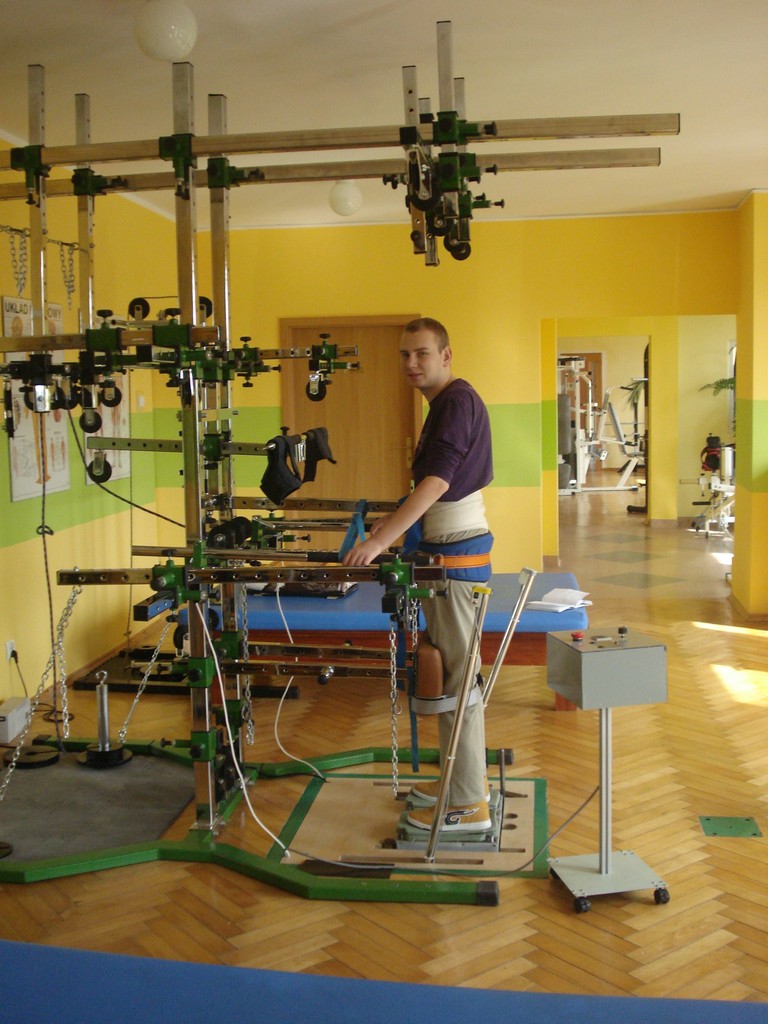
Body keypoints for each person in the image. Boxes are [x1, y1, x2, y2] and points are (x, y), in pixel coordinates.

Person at [342, 317, 494, 833]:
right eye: (405, 355)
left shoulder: (454, 402)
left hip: (455, 561)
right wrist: (392, 523)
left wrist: (380, 542)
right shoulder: (446, 403)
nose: (411, 363)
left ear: (446, 355)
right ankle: (460, 783)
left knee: (457, 683)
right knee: (451, 675)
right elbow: (434, 491)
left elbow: (436, 484)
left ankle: (469, 804)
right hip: (446, 551)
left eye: (422, 353)